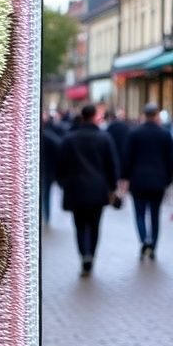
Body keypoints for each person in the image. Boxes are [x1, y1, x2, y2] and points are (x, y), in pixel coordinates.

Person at [56, 103, 120, 276]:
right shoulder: (104, 138)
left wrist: (64, 183)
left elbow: (60, 165)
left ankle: (83, 254)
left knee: (79, 225)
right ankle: (90, 254)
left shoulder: (70, 139)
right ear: (94, 117)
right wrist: (112, 187)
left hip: (75, 189)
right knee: (94, 225)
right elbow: (112, 165)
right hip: (98, 189)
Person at [120, 102, 173, 259]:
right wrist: (169, 179)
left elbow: (127, 158)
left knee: (139, 213)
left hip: (138, 180)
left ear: (144, 114)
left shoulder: (134, 133)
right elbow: (171, 159)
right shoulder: (165, 134)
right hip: (158, 180)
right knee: (155, 215)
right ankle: (153, 244)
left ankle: (144, 240)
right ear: (156, 115)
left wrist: (124, 177)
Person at [41, 117, 61, 225]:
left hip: (43, 172)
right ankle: (46, 216)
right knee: (46, 195)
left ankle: (42, 216)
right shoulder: (50, 137)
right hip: (47, 172)